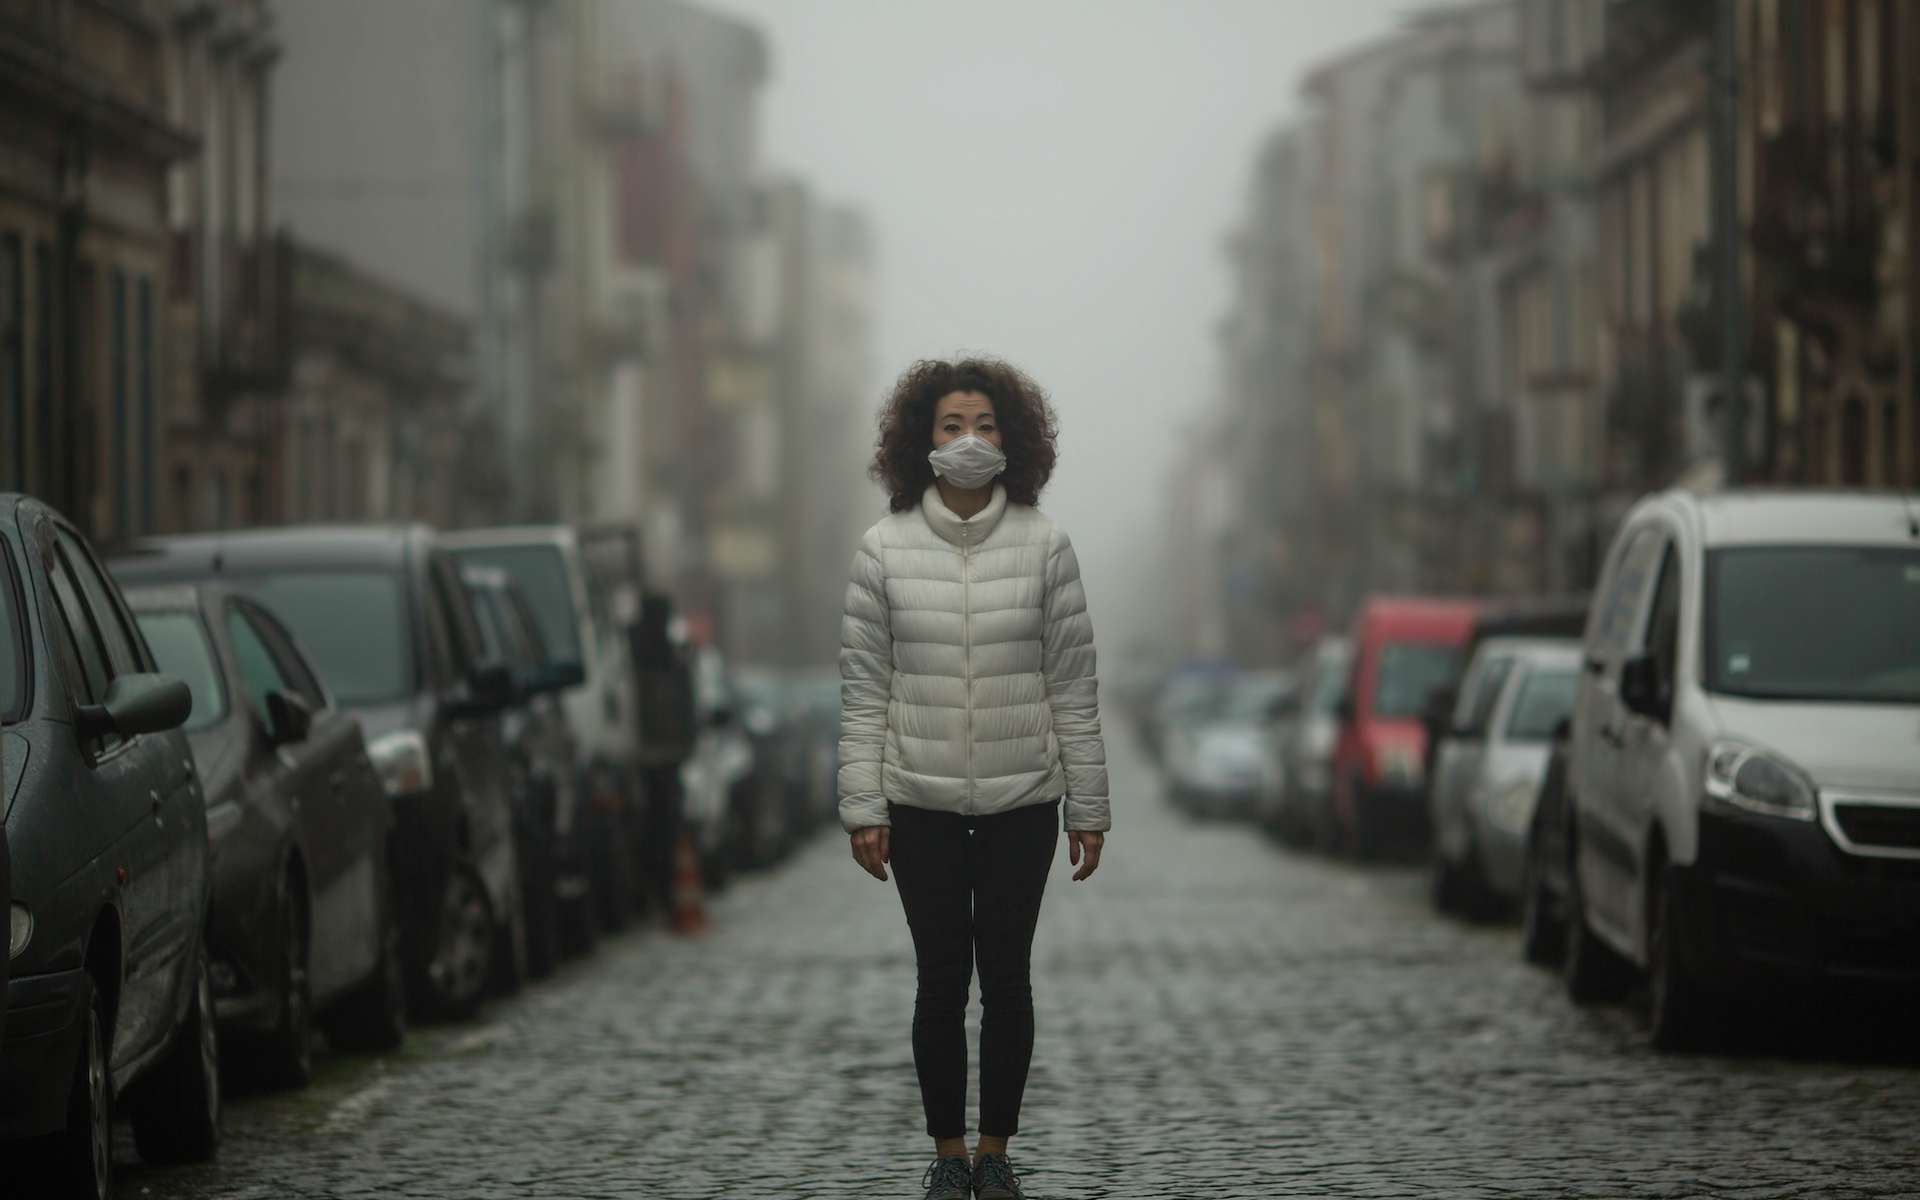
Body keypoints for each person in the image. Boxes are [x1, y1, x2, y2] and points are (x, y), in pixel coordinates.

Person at [839, 357, 1110, 1200]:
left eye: (986, 425)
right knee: (938, 981)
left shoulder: (1046, 544)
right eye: (952, 425)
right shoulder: (882, 550)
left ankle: (996, 1154)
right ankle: (948, 1155)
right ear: (920, 441)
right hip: (916, 802)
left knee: (1008, 980)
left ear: (1014, 441)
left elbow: (1072, 683)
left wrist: (1088, 807)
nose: (968, 441)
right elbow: (863, 689)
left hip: (1020, 802)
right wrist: (862, 805)